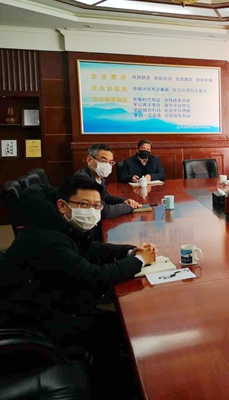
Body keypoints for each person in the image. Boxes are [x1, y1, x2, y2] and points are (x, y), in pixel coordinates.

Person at [0, 176, 157, 398]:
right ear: (62, 205)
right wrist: (139, 261)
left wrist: (130, 251)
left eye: (96, 206)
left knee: (120, 325)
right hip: (37, 318)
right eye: (84, 204)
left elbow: (90, 248)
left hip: (54, 299)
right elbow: (95, 277)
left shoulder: (55, 224)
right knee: (122, 331)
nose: (91, 211)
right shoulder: (47, 238)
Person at [75, 143, 141, 218]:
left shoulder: (99, 177)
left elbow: (105, 197)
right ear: (89, 160)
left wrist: (124, 201)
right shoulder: (84, 180)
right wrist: (130, 207)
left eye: (110, 162)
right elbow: (103, 211)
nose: (107, 165)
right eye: (103, 161)